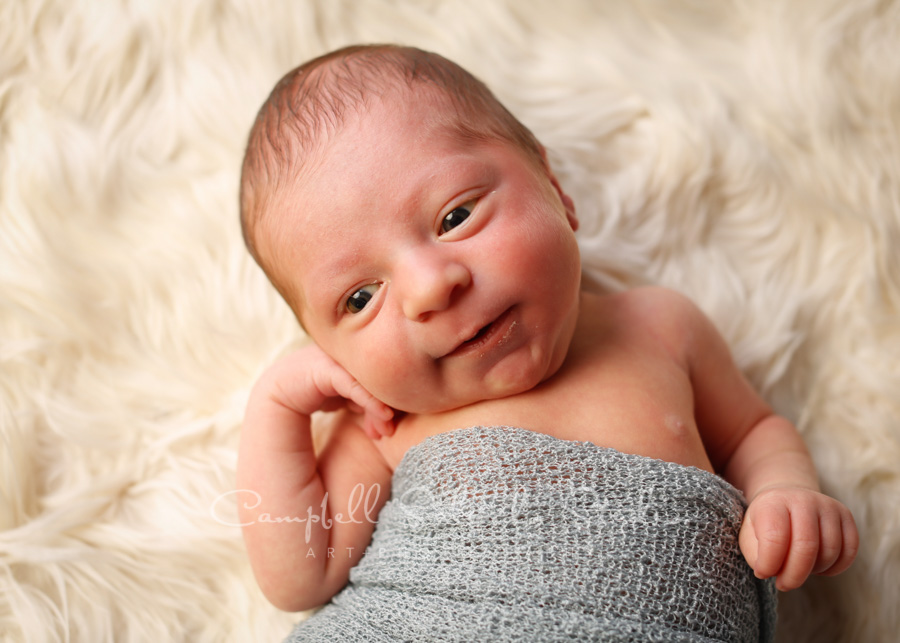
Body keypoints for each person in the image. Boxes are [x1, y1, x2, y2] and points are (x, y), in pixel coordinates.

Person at [236, 44, 858, 641]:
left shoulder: (658, 327)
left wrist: (785, 490)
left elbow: (752, 430)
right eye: (359, 298)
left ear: (553, 187)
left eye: (456, 216)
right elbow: (301, 575)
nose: (429, 289)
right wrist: (276, 408)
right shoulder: (386, 420)